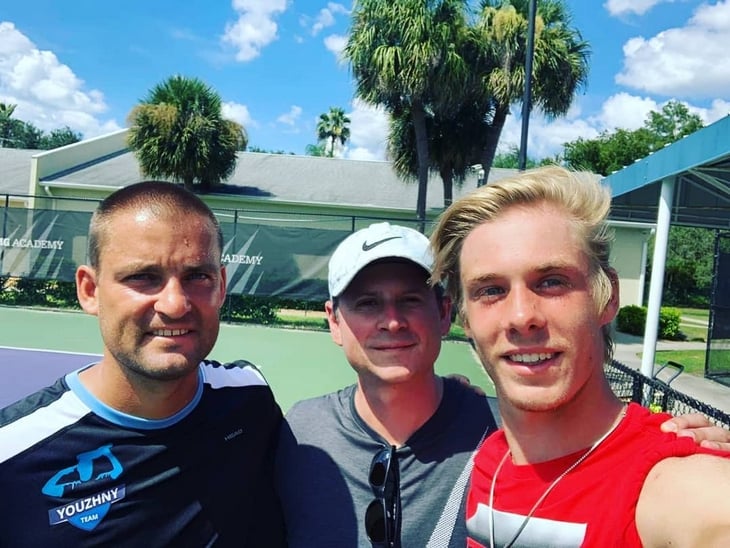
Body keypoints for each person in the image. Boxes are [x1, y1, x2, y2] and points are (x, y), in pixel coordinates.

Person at [274, 222, 729, 547]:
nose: (391, 321)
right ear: (334, 321)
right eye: (367, 303)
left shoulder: (510, 437)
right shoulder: (296, 433)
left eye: (410, 300)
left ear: (445, 313)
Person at [429, 166, 730, 547]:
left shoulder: (668, 478)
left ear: (608, 296)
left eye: (552, 282)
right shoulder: (493, 458)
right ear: (465, 318)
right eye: (490, 290)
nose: (521, 316)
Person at [0, 181, 285, 546]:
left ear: (221, 286)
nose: (175, 304)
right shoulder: (12, 455)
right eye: (142, 277)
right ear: (89, 290)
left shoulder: (249, 399)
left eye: (197, 276)